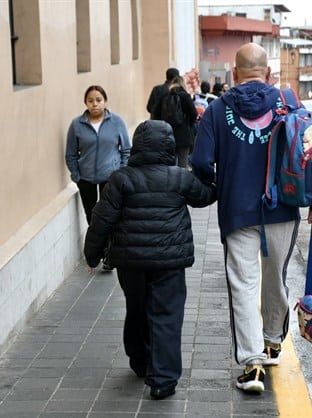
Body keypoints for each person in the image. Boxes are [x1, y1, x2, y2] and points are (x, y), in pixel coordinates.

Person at [190, 42, 312, 393]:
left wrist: (224, 185)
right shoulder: (289, 102)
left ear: (234, 74)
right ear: (268, 73)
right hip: (282, 207)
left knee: (243, 285)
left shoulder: (218, 110)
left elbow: (202, 163)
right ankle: (272, 342)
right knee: (275, 278)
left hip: (237, 211)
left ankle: (252, 366)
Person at [83, 119, 216, 400]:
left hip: (130, 262)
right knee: (166, 315)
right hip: (169, 260)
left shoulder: (121, 179)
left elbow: (102, 218)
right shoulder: (179, 177)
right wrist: (215, 180)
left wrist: (92, 254)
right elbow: (204, 196)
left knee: (137, 307)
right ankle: (162, 380)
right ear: (168, 147)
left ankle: (140, 361)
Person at [65, 85, 131, 226]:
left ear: (105, 101)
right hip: (85, 179)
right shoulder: (77, 124)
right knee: (91, 216)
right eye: (90, 101)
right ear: (86, 103)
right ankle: (98, 247)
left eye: (98, 100)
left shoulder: (117, 122)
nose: (94, 104)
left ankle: (110, 246)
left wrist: (120, 172)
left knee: (109, 215)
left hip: (110, 178)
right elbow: (71, 153)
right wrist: (76, 175)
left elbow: (126, 150)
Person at [158, 75, 198, 168]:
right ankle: (181, 181)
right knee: (183, 163)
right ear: (183, 84)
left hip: (167, 134)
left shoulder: (165, 96)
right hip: (184, 135)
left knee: (169, 163)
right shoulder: (185, 96)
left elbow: (156, 113)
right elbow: (194, 114)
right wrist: (189, 123)